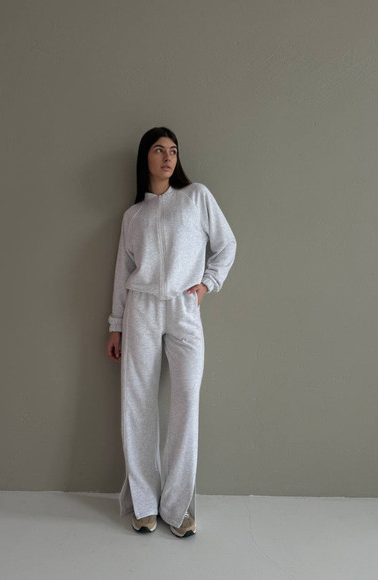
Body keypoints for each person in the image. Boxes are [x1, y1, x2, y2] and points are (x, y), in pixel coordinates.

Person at [106, 127, 237, 537]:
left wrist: (207, 284)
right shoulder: (133, 216)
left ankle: (177, 506)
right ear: (145, 157)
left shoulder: (196, 196)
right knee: (137, 404)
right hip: (141, 309)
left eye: (174, 151)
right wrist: (115, 326)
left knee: (186, 404)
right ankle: (144, 504)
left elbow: (227, 244)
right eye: (159, 150)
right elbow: (123, 273)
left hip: (184, 307)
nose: (168, 157)